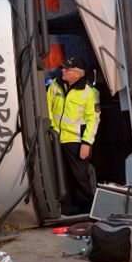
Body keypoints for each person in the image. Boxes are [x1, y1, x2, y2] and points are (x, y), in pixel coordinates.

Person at [47, 56, 101, 215]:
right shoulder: (55, 85)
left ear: (78, 74)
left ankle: (88, 209)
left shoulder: (90, 92)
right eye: (63, 67)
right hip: (55, 137)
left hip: (76, 140)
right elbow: (48, 107)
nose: (62, 70)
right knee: (60, 174)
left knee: (80, 177)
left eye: (67, 69)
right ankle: (67, 209)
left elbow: (93, 119)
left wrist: (86, 143)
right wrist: (50, 128)